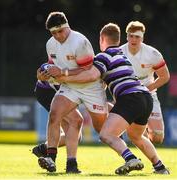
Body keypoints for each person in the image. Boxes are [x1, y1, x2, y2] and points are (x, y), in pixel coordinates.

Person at [56, 23, 170, 175]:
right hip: (145, 98)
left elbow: (91, 76)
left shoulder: (104, 56)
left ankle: (130, 159)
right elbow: (102, 84)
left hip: (131, 98)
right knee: (136, 136)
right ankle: (160, 167)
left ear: (102, 39)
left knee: (106, 134)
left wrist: (63, 75)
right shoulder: (122, 55)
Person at [37, 11, 108, 173]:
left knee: (104, 133)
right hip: (69, 86)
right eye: (53, 33)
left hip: (89, 86)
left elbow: (87, 70)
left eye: (60, 31)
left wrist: (63, 72)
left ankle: (129, 155)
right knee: (55, 114)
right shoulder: (50, 43)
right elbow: (51, 68)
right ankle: (56, 160)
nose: (57, 35)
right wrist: (45, 74)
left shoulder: (80, 42)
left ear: (67, 27)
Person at [120, 21, 170, 144]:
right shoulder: (119, 52)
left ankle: (144, 129)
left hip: (149, 96)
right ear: (126, 36)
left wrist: (147, 89)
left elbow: (165, 76)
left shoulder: (152, 54)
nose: (133, 39)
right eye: (131, 36)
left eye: (137, 36)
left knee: (158, 138)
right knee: (133, 135)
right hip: (127, 97)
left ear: (142, 37)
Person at [32, 78, 83, 157]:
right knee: (76, 120)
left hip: (58, 90)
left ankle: (43, 149)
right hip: (49, 90)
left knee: (76, 136)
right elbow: (48, 68)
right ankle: (68, 161)